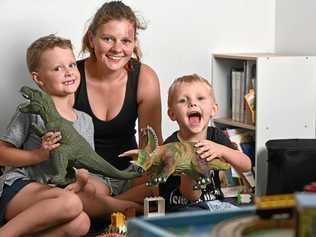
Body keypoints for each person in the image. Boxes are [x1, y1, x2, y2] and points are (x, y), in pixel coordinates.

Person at [0, 34, 139, 237]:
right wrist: (39, 155)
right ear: (38, 78)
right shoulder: (32, 111)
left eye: (72, 65)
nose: (68, 72)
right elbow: (2, 153)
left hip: (55, 195)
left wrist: (81, 179)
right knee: (72, 203)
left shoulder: (84, 120)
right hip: (20, 188)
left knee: (80, 224)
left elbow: (82, 167)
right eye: (57, 68)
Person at [74, 1, 162, 198]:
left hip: (130, 176)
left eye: (125, 41)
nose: (117, 48)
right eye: (108, 39)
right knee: (79, 196)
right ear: (91, 39)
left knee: (161, 186)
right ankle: (119, 207)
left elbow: (151, 147)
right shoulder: (73, 76)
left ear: (134, 43)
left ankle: (109, 206)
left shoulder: (145, 78)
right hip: (85, 178)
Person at [159, 74, 252, 212]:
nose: (193, 103)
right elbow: (191, 195)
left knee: (243, 215)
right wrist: (190, 168)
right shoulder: (172, 146)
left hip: (215, 203)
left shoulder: (215, 136)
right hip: (182, 207)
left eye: (200, 98)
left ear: (213, 110)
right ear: (172, 114)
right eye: (183, 100)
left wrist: (221, 150)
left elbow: (246, 165)